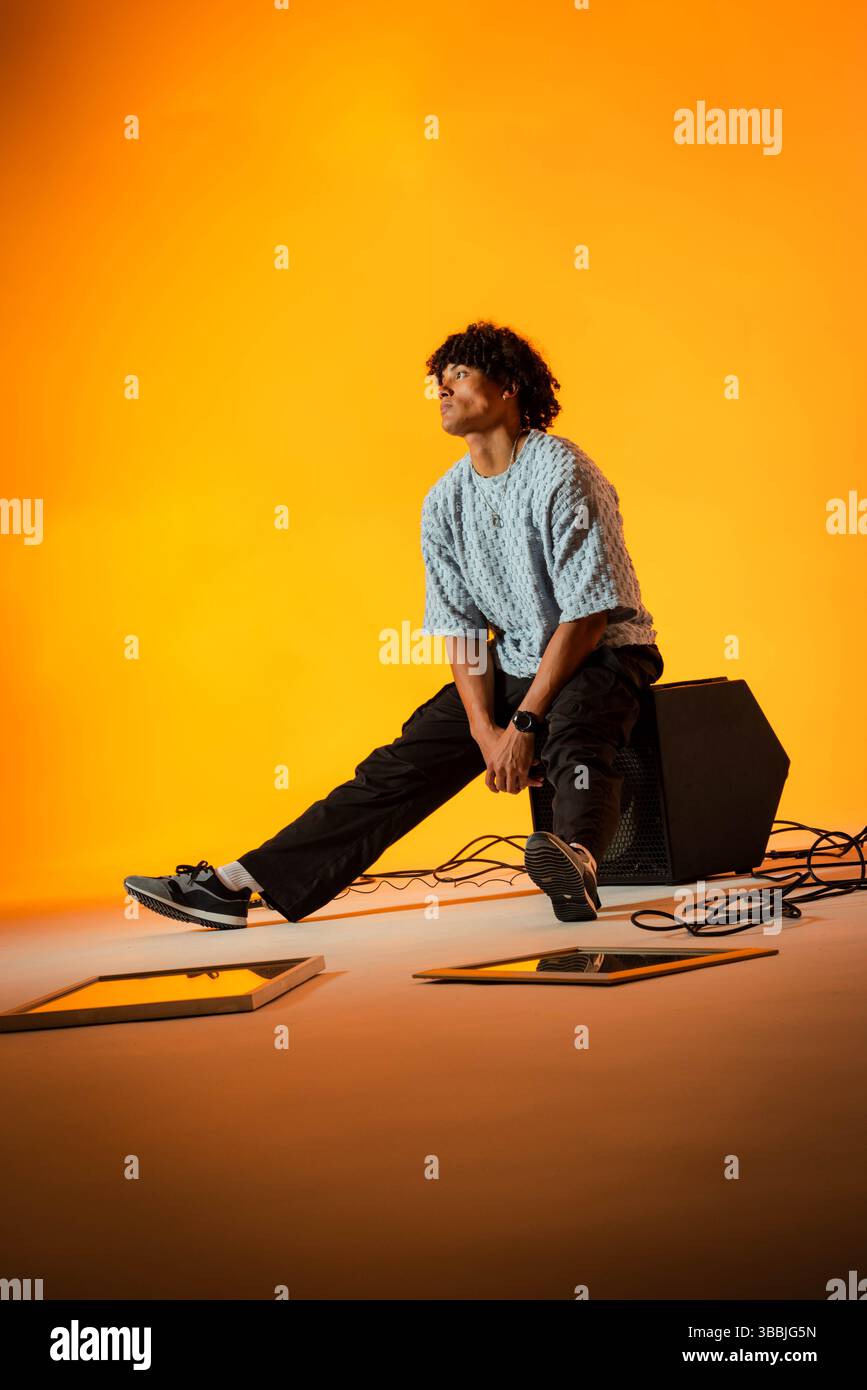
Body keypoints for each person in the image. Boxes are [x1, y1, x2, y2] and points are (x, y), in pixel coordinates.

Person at [124, 319, 663, 930]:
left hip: (602, 652)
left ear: (509, 386)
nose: (444, 388)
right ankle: (236, 885)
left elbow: (587, 616)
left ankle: (578, 862)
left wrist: (525, 722)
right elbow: (460, 629)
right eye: (440, 378)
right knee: (400, 765)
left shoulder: (561, 472)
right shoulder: (443, 501)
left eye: (461, 373)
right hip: (517, 658)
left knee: (575, 727)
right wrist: (488, 732)